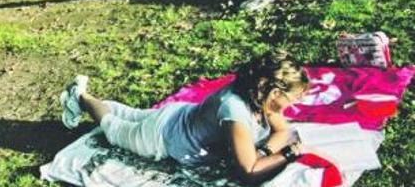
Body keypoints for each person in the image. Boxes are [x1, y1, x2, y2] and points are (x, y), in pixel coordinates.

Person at [60, 52, 309, 184]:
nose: (294, 104)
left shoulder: (258, 94)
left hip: (177, 116)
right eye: (293, 98)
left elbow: (281, 132)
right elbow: (250, 171)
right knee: (114, 129)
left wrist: (264, 152)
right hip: (160, 137)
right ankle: (80, 96)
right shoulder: (236, 112)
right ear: (275, 92)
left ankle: (86, 97)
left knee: (129, 115)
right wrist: (286, 155)